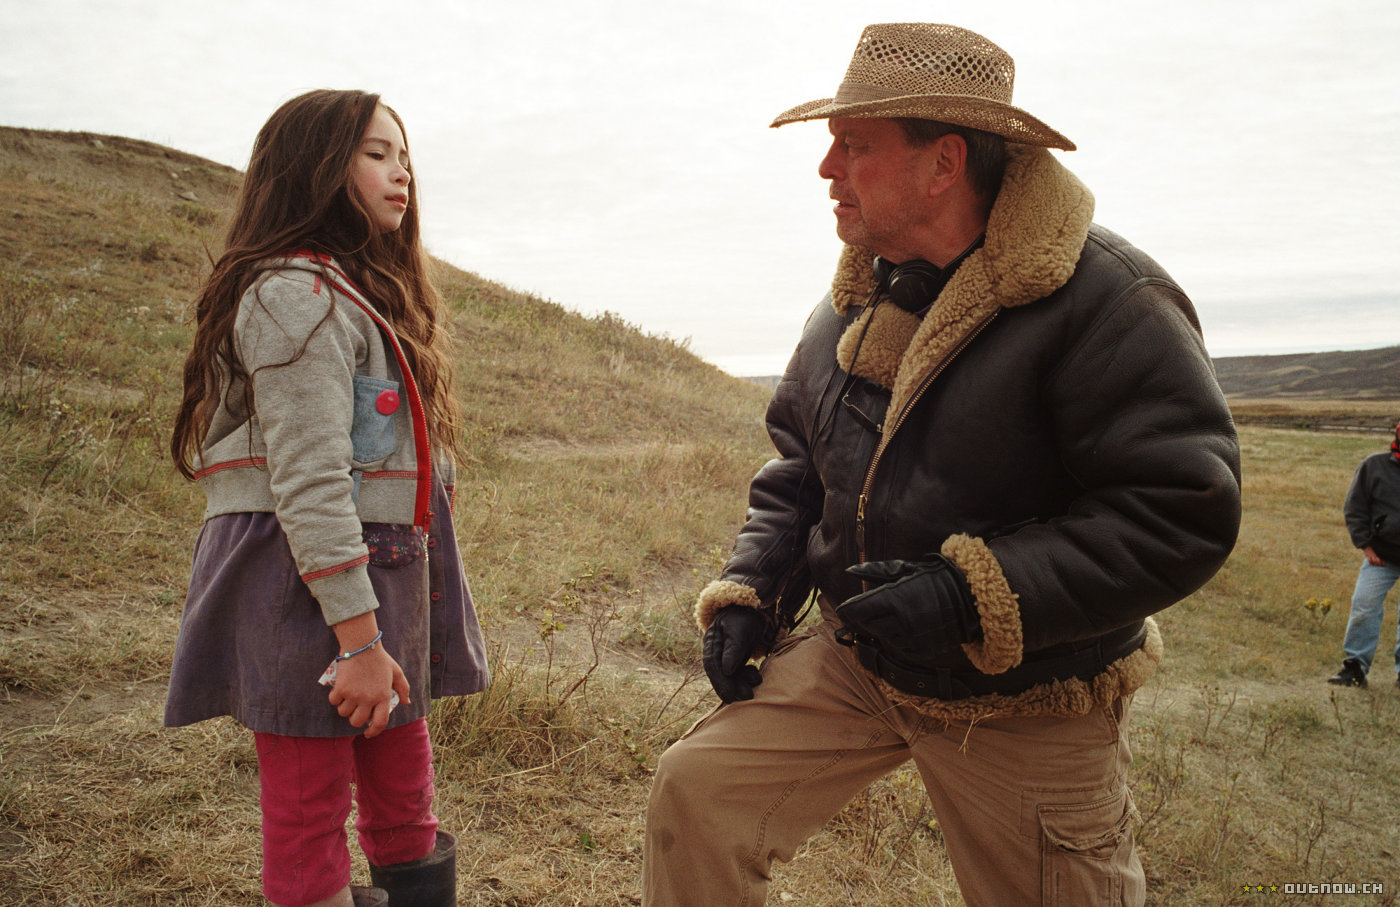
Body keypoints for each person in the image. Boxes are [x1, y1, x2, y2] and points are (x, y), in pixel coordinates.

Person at [643, 23, 1241, 907]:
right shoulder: (854, 298)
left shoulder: (1109, 301)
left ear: (943, 162)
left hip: (1031, 694)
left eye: (854, 145)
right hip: (863, 659)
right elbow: (798, 468)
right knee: (695, 794)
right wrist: (753, 589)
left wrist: (970, 594)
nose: (827, 170)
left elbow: (1181, 508)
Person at [166, 89, 489, 907]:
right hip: (304, 590)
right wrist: (354, 641)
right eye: (377, 154)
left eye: (405, 156)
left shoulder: (359, 292)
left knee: (403, 794)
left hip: (378, 585)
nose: (401, 173)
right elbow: (306, 481)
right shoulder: (294, 298)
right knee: (311, 804)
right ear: (315, 166)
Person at [1328, 421, 1400, 689]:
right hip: (1380, 555)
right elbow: (1354, 508)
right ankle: (1355, 667)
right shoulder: (1374, 466)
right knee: (1364, 606)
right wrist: (1367, 547)